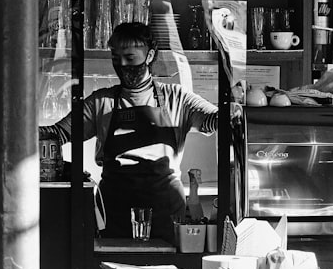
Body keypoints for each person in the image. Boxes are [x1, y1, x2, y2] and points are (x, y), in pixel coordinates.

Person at [39, 21, 219, 242]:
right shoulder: (101, 102)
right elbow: (58, 133)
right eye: (116, 58)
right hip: (115, 209)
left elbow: (212, 120)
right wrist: (18, 129)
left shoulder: (177, 98)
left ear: (150, 55)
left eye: (130, 58)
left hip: (166, 210)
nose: (122, 65)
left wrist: (233, 111)